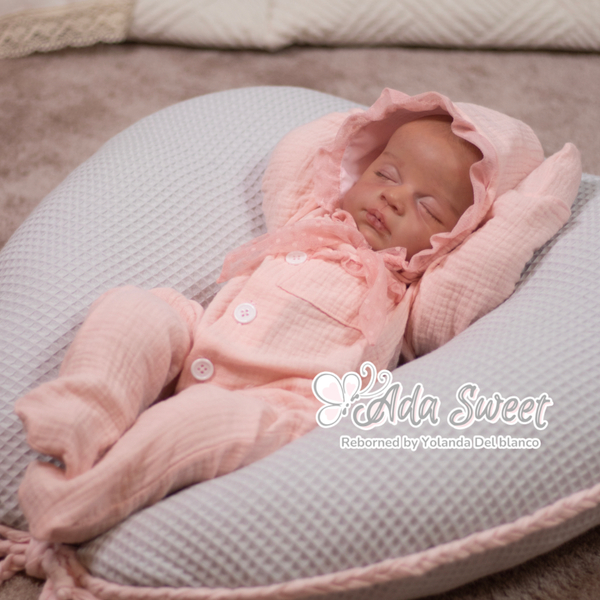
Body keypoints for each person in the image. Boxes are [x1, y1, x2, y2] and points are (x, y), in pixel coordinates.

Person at [14, 89, 579, 545]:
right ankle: (84, 418)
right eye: (385, 174)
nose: (393, 198)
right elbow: (301, 152)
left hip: (281, 405)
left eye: (428, 206)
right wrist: (373, 122)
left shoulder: (416, 295)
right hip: (201, 337)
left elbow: (493, 256)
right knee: (136, 309)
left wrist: (538, 198)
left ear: (455, 236)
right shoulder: (309, 216)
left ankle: (76, 502)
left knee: (192, 424)